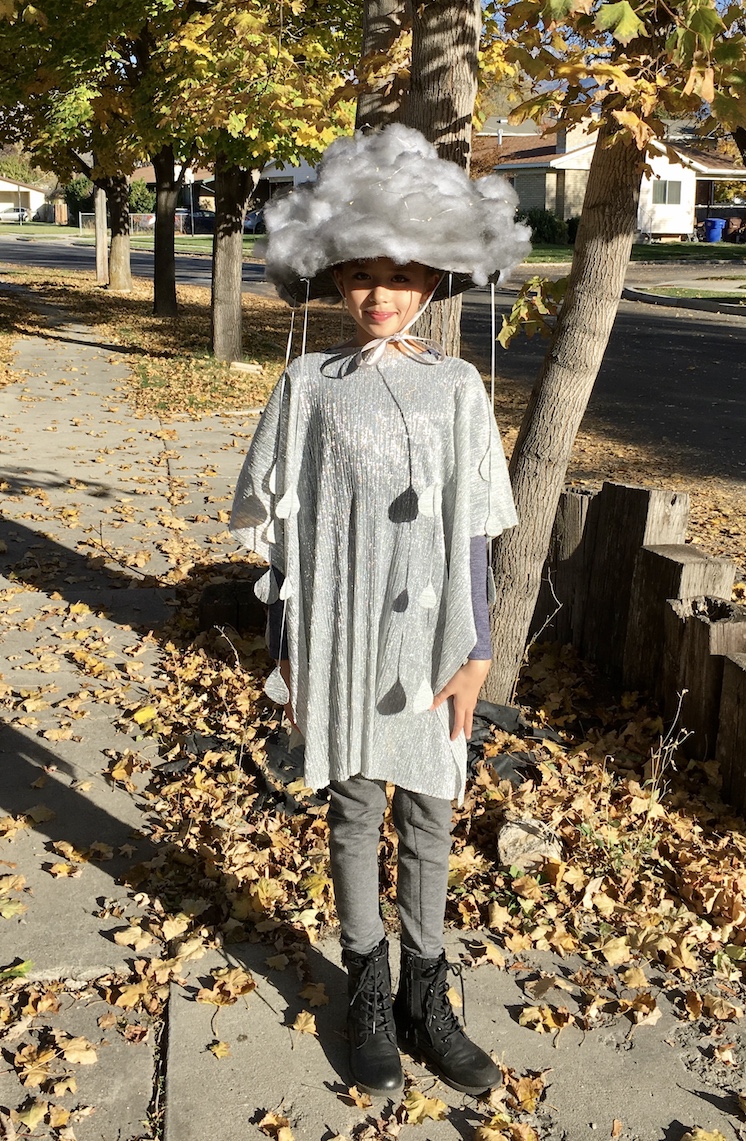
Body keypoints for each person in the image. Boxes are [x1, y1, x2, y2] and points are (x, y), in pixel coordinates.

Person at [230, 125, 530, 1098]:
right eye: (358, 272)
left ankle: (423, 995)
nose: (378, 293)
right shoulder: (307, 390)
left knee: (431, 816)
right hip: (341, 637)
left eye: (399, 274)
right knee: (355, 810)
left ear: (434, 279)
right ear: (329, 275)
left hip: (429, 644)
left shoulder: (456, 391)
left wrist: (476, 648)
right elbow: (285, 537)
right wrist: (288, 663)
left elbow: (476, 532)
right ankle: (364, 982)